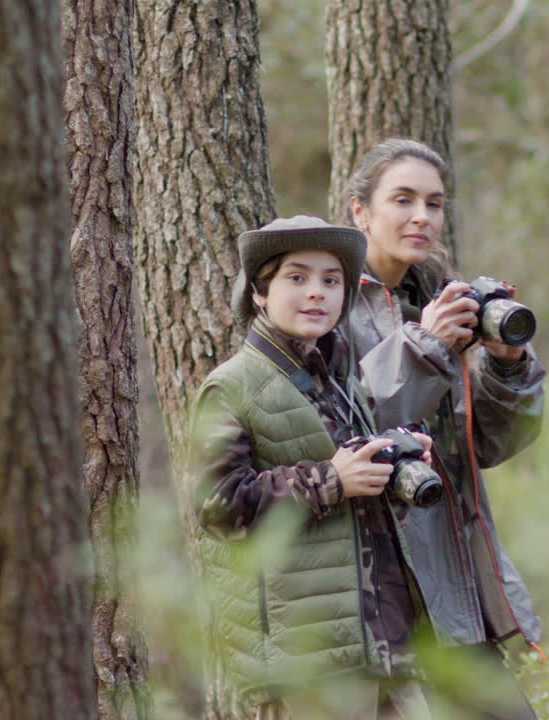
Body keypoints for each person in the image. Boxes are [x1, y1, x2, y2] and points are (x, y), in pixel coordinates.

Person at [186, 215, 434, 720]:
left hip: (386, 645)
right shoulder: (231, 386)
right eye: (296, 278)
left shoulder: (341, 377)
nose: (316, 293)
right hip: (308, 661)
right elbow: (218, 508)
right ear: (260, 293)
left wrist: (388, 469)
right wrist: (332, 480)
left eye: (330, 280)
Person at [343, 138, 547, 720]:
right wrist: (425, 345)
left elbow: (489, 445)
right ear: (360, 211)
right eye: (402, 199)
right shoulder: (326, 302)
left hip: (452, 579)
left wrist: (508, 365)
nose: (421, 217)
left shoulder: (434, 296)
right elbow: (348, 425)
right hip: (377, 581)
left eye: (433, 203)